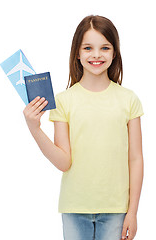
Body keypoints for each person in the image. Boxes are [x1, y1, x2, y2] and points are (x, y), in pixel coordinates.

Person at [23, 15, 144, 240]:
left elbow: (135, 158)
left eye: (104, 47)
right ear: (77, 53)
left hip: (116, 209)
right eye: (88, 47)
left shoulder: (129, 100)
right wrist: (35, 128)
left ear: (114, 52)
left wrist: (133, 211)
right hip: (74, 208)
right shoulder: (63, 101)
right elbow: (64, 161)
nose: (96, 54)